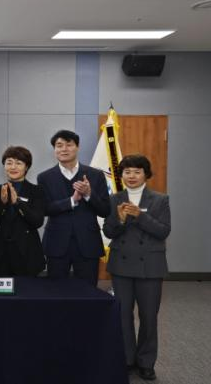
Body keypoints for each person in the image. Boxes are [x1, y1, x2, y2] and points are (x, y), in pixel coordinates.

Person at [103, 155, 170, 381]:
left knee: (149, 316)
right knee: (123, 316)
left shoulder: (160, 200)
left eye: (137, 171)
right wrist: (120, 220)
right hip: (121, 265)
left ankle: (146, 362)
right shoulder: (114, 199)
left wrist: (140, 216)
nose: (131, 176)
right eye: (127, 172)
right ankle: (127, 359)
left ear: (146, 174)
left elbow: (163, 231)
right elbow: (109, 231)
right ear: (121, 175)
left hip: (150, 266)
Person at [37, 130, 109, 286]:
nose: (64, 149)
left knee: (88, 291)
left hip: (88, 242)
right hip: (57, 242)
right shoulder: (45, 177)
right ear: (54, 149)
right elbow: (44, 209)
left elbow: (105, 210)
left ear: (77, 147)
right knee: (56, 291)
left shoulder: (95, 175)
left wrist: (89, 194)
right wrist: (71, 200)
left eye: (69, 145)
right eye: (59, 145)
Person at [0, 146, 45, 277]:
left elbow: (37, 221)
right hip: (0, 252)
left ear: (26, 167)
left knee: (27, 289)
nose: (13, 167)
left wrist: (17, 203)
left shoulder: (36, 191)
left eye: (18, 163)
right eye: (9, 162)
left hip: (27, 251)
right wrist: (2, 203)